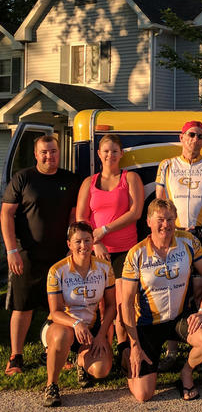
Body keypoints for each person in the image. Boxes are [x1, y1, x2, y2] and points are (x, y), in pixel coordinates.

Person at [120, 198, 202, 402]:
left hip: (178, 318)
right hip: (148, 324)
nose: (166, 224)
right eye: (160, 220)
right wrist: (135, 345)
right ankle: (128, 357)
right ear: (149, 222)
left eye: (170, 219)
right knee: (143, 395)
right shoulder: (136, 253)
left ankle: (186, 373)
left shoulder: (188, 241)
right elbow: (127, 303)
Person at [1, 135, 80, 375]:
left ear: (59, 152)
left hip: (60, 256)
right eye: (44, 152)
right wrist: (11, 251)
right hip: (25, 255)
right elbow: (6, 214)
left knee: (59, 307)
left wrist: (73, 248)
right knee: (22, 306)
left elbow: (74, 216)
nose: (49, 156)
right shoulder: (23, 178)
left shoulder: (70, 179)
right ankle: (16, 357)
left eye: (53, 151)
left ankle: (54, 349)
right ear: (36, 154)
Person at [155, 120, 202, 371]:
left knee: (200, 290)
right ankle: (172, 351)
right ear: (182, 137)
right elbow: (160, 202)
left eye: (201, 136)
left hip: (200, 235)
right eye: (192, 135)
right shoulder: (167, 165)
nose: (196, 140)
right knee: (173, 290)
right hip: (173, 235)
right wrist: (165, 227)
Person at [75, 134, 144, 368]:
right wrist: (95, 242)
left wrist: (104, 229)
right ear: (99, 154)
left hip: (125, 250)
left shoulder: (130, 178)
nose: (110, 155)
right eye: (106, 151)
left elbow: (136, 212)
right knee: (102, 306)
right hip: (96, 251)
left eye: (114, 151)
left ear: (121, 154)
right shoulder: (89, 182)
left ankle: (124, 349)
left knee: (124, 304)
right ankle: (102, 350)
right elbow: (81, 217)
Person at [42, 222, 116, 407]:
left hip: (90, 329)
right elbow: (55, 312)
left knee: (101, 370)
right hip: (62, 325)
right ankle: (51, 385)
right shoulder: (57, 270)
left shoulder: (105, 268)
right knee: (62, 336)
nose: (83, 246)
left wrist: (101, 335)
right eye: (78, 242)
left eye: (87, 240)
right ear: (69, 244)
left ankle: (81, 361)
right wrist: (76, 324)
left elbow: (111, 306)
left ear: (93, 241)